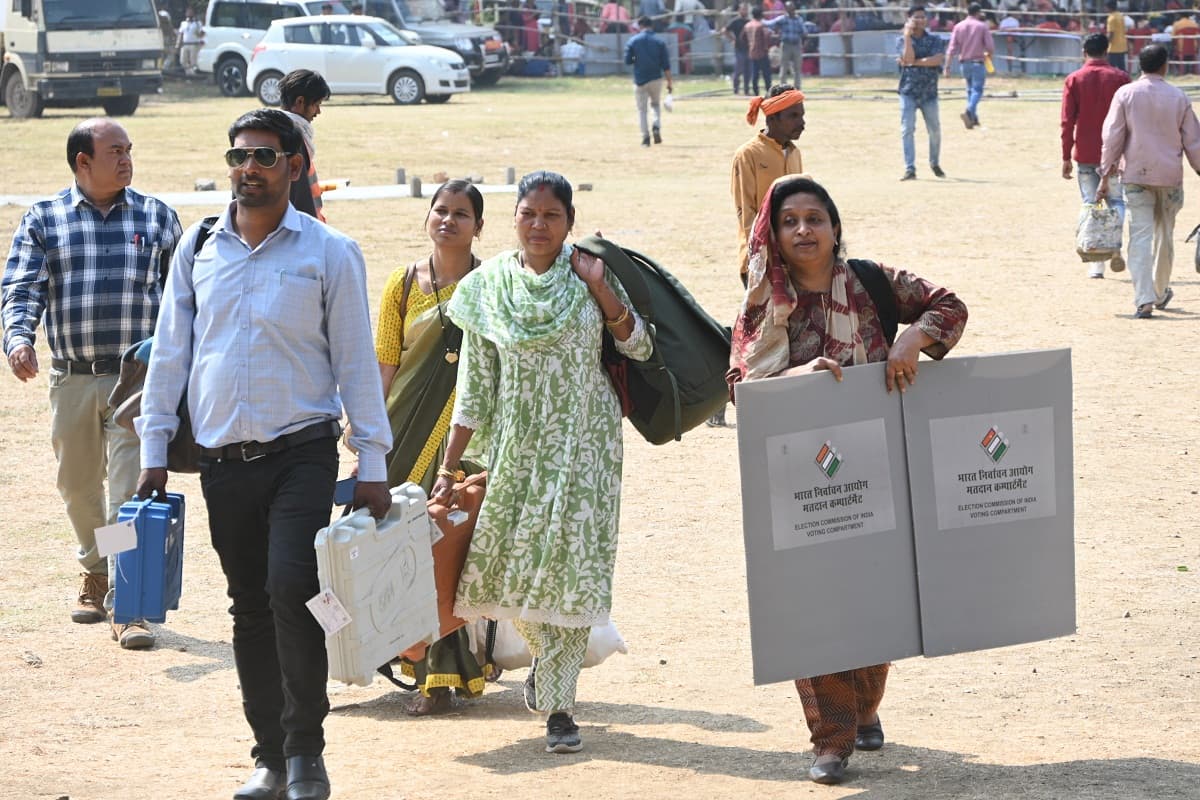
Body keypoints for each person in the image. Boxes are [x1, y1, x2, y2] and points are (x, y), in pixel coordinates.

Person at [135, 108, 392, 800]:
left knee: (291, 586)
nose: (247, 168)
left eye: (265, 157)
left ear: (296, 168)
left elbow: (356, 367)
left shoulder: (329, 254)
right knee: (248, 604)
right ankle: (269, 758)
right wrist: (153, 446)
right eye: (239, 156)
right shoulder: (199, 248)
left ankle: (307, 753)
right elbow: (170, 355)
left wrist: (373, 462)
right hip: (222, 462)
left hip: (301, 452)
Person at [727, 175, 967, 785]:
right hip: (800, 478)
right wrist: (801, 375)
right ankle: (830, 739)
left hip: (880, 465)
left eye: (815, 218)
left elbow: (951, 305)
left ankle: (863, 708)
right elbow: (741, 386)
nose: (803, 230)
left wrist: (913, 336)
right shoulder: (763, 304)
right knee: (816, 600)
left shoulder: (873, 283)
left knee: (876, 595)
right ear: (774, 236)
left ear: (835, 227)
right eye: (789, 221)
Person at [436, 170, 653, 755]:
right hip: (517, 446)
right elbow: (475, 388)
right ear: (513, 218)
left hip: (587, 447)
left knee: (572, 571)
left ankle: (560, 701)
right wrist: (449, 465)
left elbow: (639, 345)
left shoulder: (587, 276)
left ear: (569, 223)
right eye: (528, 213)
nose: (538, 225)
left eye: (551, 216)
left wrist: (603, 288)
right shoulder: (487, 287)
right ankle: (545, 665)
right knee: (509, 565)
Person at [2, 118, 181, 651]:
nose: (126, 160)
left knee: (128, 493)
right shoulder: (44, 218)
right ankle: (96, 569)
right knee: (78, 489)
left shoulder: (157, 217)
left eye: (129, 150)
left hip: (138, 383)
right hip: (72, 379)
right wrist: (17, 339)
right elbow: (20, 287)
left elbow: (182, 298)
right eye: (114, 152)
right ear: (83, 162)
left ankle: (127, 604)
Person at [373, 180, 490, 716]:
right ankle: (411, 663)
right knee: (399, 547)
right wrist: (371, 429)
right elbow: (386, 361)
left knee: (444, 547)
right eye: (440, 211)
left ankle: (441, 678)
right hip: (403, 432)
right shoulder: (401, 285)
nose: (448, 220)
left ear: (478, 227)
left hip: (464, 434)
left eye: (461, 214)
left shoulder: (490, 285)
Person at [1099, 44, 1200, 319]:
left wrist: (1104, 174)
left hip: (1135, 176)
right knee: (1165, 237)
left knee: (1140, 237)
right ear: (1165, 65)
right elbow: (1194, 141)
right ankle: (1159, 290)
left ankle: (1143, 299)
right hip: (1170, 178)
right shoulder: (1179, 97)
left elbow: (1112, 137)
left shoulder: (1126, 94)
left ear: (1139, 65)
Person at [1061, 33, 1130, 279]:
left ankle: (1095, 262)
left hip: (1086, 151)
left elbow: (1067, 121)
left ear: (1084, 52)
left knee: (1090, 202)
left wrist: (1066, 155)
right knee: (1117, 202)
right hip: (1115, 151)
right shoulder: (1121, 78)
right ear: (1107, 51)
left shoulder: (1074, 79)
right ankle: (1115, 246)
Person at [731, 85, 805, 283]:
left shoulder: (794, 153)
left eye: (802, 116)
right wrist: (760, 258)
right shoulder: (747, 155)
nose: (802, 123)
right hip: (760, 261)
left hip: (793, 258)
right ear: (772, 118)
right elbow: (746, 211)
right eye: (794, 116)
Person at [897, 5, 946, 181]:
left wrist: (914, 63)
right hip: (908, 91)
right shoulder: (902, 41)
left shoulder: (935, 39)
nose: (921, 20)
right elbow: (907, 58)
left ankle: (934, 162)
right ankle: (910, 168)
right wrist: (907, 37)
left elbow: (937, 60)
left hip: (929, 92)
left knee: (934, 130)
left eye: (923, 17)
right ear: (909, 19)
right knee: (907, 129)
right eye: (917, 17)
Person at [278, 69, 330, 222]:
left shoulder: (281, 132)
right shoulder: (292, 140)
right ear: (300, 102)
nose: (318, 111)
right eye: (317, 104)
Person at [625, 17, 674, 147]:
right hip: (656, 78)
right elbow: (666, 65)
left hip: (640, 79)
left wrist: (637, 58)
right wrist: (669, 82)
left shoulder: (633, 41)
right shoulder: (659, 42)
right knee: (656, 105)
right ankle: (656, 125)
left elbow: (629, 60)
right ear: (651, 26)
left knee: (642, 110)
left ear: (640, 26)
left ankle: (645, 138)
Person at [944, 3, 994, 129]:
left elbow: (951, 48)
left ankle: (973, 118)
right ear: (978, 12)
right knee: (977, 90)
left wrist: (947, 66)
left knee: (970, 90)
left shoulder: (958, 26)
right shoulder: (982, 26)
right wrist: (988, 55)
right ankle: (969, 111)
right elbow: (990, 46)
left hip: (964, 63)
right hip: (977, 62)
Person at [767, 2, 806, 87]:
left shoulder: (799, 19)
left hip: (796, 45)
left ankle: (797, 88)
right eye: (789, 8)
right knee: (784, 67)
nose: (791, 10)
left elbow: (804, 31)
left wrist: (803, 34)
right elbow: (770, 24)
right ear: (786, 9)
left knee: (797, 68)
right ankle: (783, 88)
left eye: (793, 8)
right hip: (786, 45)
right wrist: (761, 22)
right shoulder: (782, 19)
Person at [744, 6, 773, 95]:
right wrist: (766, 48)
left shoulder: (747, 25)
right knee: (766, 74)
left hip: (752, 52)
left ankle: (755, 92)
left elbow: (743, 38)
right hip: (762, 53)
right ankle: (768, 92)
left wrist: (749, 45)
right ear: (761, 15)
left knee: (754, 74)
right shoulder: (760, 26)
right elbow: (765, 39)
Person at [724, 3, 751, 95]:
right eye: (743, 9)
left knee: (748, 70)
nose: (745, 11)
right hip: (739, 48)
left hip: (748, 48)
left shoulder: (749, 21)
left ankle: (746, 90)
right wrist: (732, 40)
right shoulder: (735, 21)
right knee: (738, 69)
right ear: (739, 10)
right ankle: (736, 89)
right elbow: (725, 30)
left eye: (746, 9)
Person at [177, 7, 205, 75]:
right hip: (185, 44)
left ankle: (192, 75)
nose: (189, 13)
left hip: (194, 44)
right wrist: (178, 44)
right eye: (188, 12)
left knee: (193, 62)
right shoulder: (183, 23)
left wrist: (199, 34)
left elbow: (202, 34)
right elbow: (181, 34)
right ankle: (189, 73)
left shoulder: (198, 23)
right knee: (183, 61)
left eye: (191, 12)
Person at [1106, 0, 1129, 71]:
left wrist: (1105, 44)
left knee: (1110, 69)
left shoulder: (1111, 18)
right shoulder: (1120, 16)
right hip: (1122, 45)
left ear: (1108, 7)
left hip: (1113, 47)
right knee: (1122, 68)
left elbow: (1111, 34)